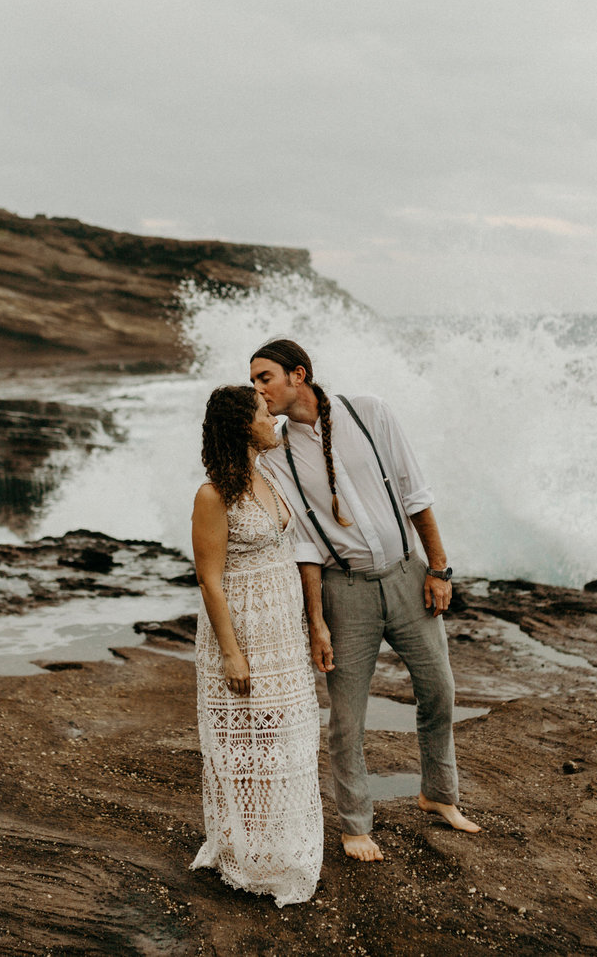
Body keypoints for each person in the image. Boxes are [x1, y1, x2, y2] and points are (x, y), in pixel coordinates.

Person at [249, 339, 480, 863]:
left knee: (439, 691)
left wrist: (439, 568)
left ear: (298, 375)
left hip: (407, 575)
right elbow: (304, 542)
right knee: (347, 720)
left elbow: (415, 493)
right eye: (254, 381)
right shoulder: (277, 454)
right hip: (344, 591)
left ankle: (438, 794)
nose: (258, 389)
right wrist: (317, 622)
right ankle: (355, 824)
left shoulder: (370, 411)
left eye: (265, 377)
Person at [189, 384, 323, 906]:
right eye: (266, 412)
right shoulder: (212, 495)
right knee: (246, 746)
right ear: (243, 425)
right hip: (242, 631)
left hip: (281, 632)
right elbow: (209, 580)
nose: (274, 416)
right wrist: (230, 652)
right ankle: (247, 854)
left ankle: (281, 847)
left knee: (284, 740)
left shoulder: (266, 475)